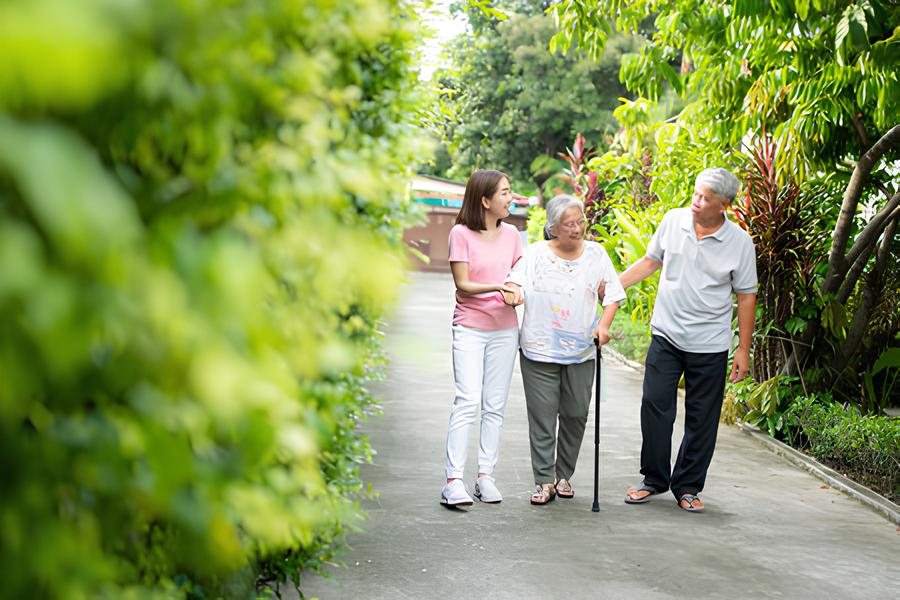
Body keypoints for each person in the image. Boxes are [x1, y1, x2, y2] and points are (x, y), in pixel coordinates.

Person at [620, 167, 757, 512]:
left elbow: (746, 296)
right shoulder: (673, 220)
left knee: (702, 418)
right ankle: (653, 479)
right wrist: (614, 283)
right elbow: (651, 262)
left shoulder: (739, 242)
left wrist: (743, 349)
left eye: (705, 198)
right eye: (695, 193)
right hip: (666, 333)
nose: (696, 202)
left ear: (724, 204)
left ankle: (688, 487)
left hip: (709, 343)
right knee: (654, 405)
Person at [503, 195, 624, 505]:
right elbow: (515, 282)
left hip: (582, 350)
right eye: (569, 224)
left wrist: (604, 326)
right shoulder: (535, 254)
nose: (577, 228)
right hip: (539, 349)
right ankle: (544, 481)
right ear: (553, 229)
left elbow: (611, 293)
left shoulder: (596, 254)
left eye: (580, 221)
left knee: (575, 414)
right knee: (543, 417)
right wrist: (514, 292)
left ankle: (563, 475)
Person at [440, 169, 523, 507]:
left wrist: (515, 289)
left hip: (505, 329)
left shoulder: (514, 234)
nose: (510, 198)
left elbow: (519, 274)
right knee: (467, 400)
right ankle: (453, 481)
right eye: (504, 192)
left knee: (495, 405)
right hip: (470, 327)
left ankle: (485, 476)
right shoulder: (460, 234)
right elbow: (463, 283)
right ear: (485, 200)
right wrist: (498, 286)